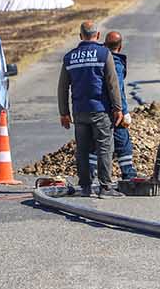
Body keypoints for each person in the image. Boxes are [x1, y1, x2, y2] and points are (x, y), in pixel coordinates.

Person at [57, 20, 125, 198]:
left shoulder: (70, 57)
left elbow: (63, 87)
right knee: (104, 147)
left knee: (83, 149)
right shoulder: (104, 54)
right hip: (101, 110)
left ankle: (85, 187)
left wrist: (64, 112)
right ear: (98, 35)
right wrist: (118, 108)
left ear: (80, 36)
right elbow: (112, 83)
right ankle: (105, 187)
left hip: (79, 111)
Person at [91, 30, 136, 181]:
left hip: (97, 109)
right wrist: (123, 111)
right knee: (123, 143)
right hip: (113, 111)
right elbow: (117, 90)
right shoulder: (115, 63)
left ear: (104, 44)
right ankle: (128, 175)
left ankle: (89, 175)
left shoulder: (98, 59)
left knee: (95, 143)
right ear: (120, 46)